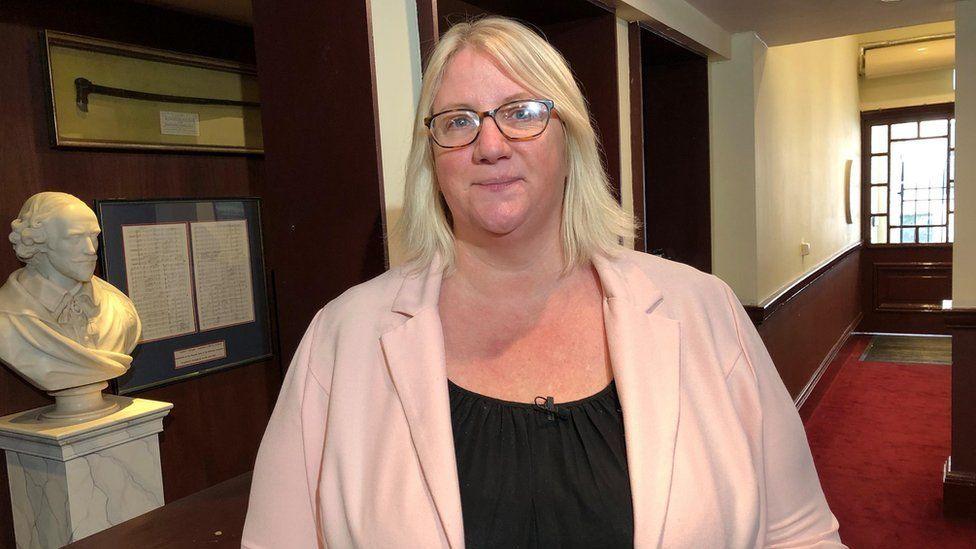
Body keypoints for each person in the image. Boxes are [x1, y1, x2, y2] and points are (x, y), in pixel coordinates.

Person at [243, 16, 844, 548]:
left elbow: (799, 534)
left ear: (570, 135)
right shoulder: (341, 339)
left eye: (522, 112)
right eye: (458, 122)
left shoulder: (704, 310)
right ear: (433, 157)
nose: (490, 144)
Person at [0, 192, 140, 410]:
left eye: (93, 236)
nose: (91, 249)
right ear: (39, 241)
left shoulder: (120, 309)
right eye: (75, 238)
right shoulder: (7, 317)